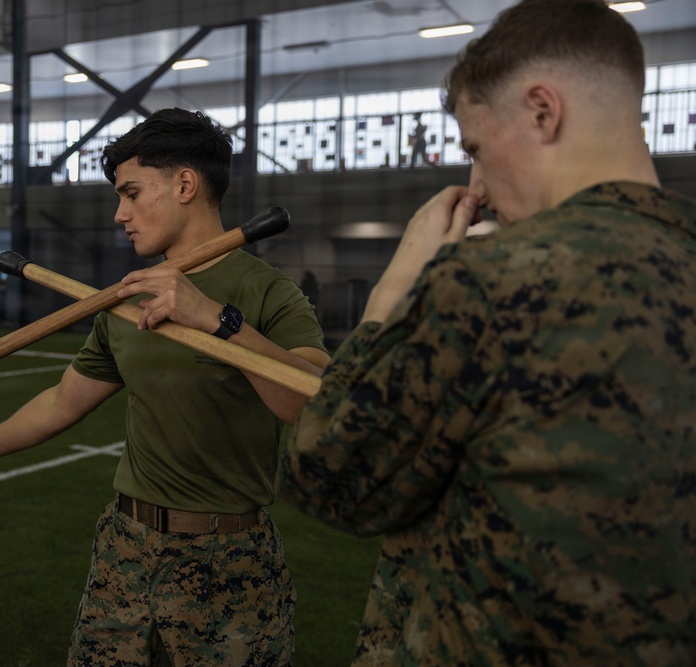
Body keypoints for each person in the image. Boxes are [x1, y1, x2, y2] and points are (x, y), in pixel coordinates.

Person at [281, 1, 696, 665]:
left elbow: (326, 469)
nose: (477, 183)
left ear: (541, 111)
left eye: (476, 147)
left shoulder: (492, 280)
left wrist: (396, 288)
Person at [0, 108, 330, 665]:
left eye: (131, 193)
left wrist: (216, 319)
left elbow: (311, 404)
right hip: (125, 548)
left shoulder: (267, 293)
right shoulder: (127, 301)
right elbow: (65, 399)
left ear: (184, 184)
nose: (119, 214)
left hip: (228, 555)